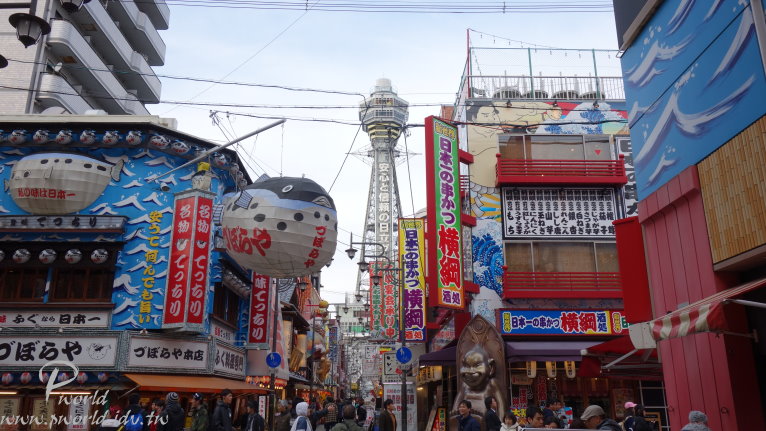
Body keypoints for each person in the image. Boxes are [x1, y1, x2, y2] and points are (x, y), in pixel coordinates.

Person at [453, 346, 507, 417]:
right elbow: (456, 406)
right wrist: (455, 413)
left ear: (491, 367)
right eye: (467, 366)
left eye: (477, 366)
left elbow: (500, 404)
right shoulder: (464, 386)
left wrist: (501, 421)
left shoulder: (491, 384)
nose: (471, 371)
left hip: (485, 419)